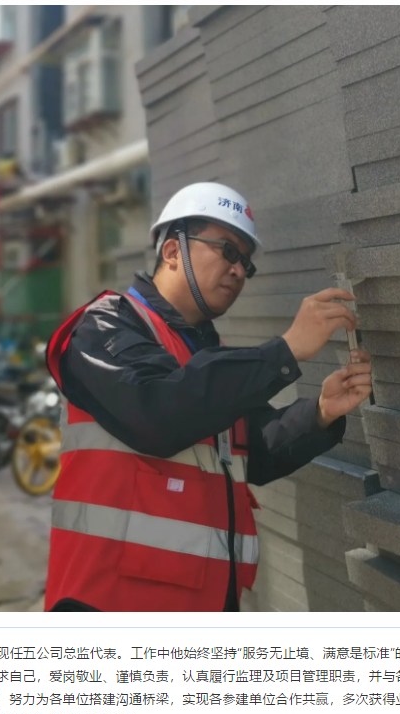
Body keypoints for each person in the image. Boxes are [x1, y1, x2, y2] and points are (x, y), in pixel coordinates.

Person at [44, 182, 372, 612]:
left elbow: (251, 450)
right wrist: (285, 350)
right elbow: (156, 414)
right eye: (228, 251)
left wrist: (321, 413)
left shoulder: (203, 358)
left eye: (246, 263)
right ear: (172, 251)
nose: (239, 270)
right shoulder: (104, 326)